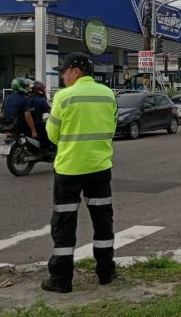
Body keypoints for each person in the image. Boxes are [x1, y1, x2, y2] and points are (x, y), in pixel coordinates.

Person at [42, 52, 118, 294]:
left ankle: (61, 279)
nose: (62, 76)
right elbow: (112, 128)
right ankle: (106, 272)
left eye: (63, 71)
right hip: (100, 167)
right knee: (102, 219)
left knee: (64, 223)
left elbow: (52, 135)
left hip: (70, 169)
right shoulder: (108, 95)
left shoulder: (64, 97)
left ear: (75, 71)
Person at [27, 81, 53, 150]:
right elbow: (50, 111)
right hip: (38, 124)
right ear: (40, 90)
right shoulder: (41, 101)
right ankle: (48, 148)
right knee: (50, 133)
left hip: (27, 124)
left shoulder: (27, 99)